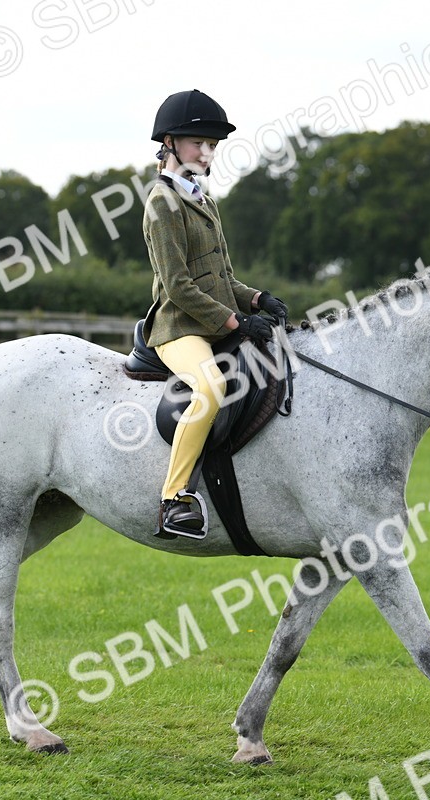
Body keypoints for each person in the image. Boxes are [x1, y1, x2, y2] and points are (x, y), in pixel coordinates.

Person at [142, 89, 288, 539]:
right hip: (177, 328)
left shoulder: (204, 200)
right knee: (211, 385)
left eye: (212, 145)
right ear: (169, 143)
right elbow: (180, 288)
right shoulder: (162, 203)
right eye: (198, 143)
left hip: (214, 320)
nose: (207, 152)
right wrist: (237, 322)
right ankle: (174, 499)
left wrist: (257, 300)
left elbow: (222, 280)